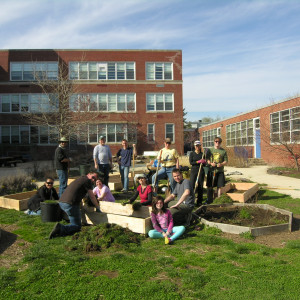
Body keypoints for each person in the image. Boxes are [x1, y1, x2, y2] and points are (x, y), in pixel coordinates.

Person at [49, 172, 101, 239]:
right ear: (88, 174)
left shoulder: (81, 179)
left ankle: (67, 226)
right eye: (93, 177)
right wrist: (97, 207)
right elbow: (92, 196)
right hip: (70, 204)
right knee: (77, 226)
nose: (93, 180)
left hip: (62, 202)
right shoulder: (87, 181)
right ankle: (60, 228)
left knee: (74, 219)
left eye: (95, 179)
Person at [189, 141, 206, 206]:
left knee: (200, 186)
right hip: (194, 171)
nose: (197, 147)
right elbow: (191, 162)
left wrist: (204, 162)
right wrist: (198, 161)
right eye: (196, 145)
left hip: (200, 171)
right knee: (192, 185)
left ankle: (199, 201)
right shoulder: (192, 153)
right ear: (194, 146)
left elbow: (204, 164)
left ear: (200, 146)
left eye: (198, 145)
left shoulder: (202, 154)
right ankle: (191, 200)